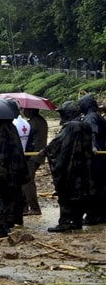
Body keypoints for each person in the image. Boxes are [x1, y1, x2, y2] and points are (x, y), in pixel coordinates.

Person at [43, 101, 93, 232]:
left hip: (70, 167)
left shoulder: (70, 127)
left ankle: (65, 221)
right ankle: (76, 221)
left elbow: (57, 143)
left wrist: (45, 151)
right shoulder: (85, 125)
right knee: (80, 193)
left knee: (66, 193)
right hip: (84, 167)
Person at [78, 94, 106, 225]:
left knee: (92, 186)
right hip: (101, 157)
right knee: (101, 186)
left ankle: (93, 216)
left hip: (95, 158)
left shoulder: (90, 118)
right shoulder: (98, 116)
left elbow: (92, 133)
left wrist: (93, 146)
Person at [22, 107, 48, 215]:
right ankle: (25, 207)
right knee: (25, 181)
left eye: (25, 110)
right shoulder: (42, 121)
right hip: (38, 155)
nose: (23, 112)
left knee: (28, 182)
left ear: (31, 111)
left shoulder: (32, 123)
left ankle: (34, 208)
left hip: (33, 155)